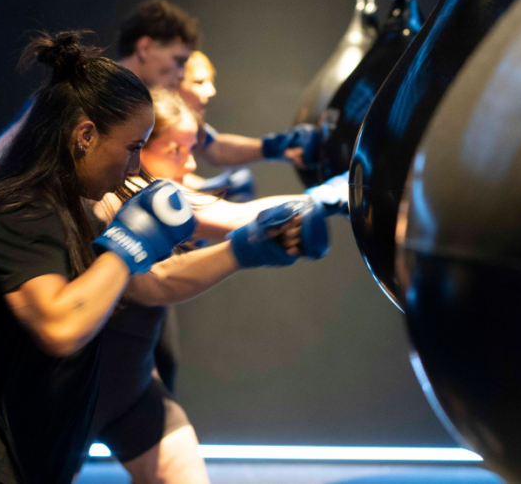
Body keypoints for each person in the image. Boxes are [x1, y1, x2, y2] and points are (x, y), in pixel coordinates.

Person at [0, 30, 329, 484]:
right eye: (132, 148)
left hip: (35, 459)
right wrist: (127, 246)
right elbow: (59, 326)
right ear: (85, 136)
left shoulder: (77, 208)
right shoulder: (21, 211)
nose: (134, 167)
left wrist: (244, 250)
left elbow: (153, 283)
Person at [82, 88, 344, 484]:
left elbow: (217, 183)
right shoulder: (128, 190)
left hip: (131, 388)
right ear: (138, 148)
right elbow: (234, 218)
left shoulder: (155, 187)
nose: (188, 163)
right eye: (175, 150)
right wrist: (323, 198)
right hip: (73, 391)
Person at [0, 0, 321, 189]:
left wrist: (276, 147)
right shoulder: (83, 95)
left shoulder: (154, 106)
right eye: (177, 60)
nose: (183, 73)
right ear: (145, 47)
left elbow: (209, 146)